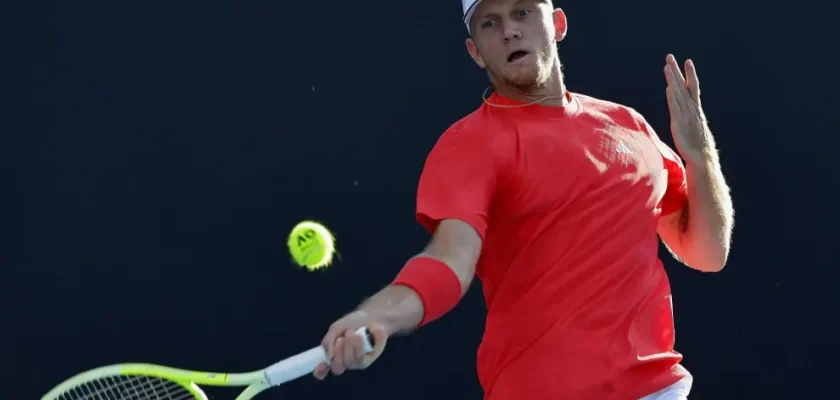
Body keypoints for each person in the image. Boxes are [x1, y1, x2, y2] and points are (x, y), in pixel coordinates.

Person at [312, 0, 735, 398]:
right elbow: (449, 260)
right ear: (475, 51)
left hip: (655, 389)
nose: (510, 30)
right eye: (490, 23)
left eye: (522, 11)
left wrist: (699, 155)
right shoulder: (470, 145)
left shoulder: (631, 127)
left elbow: (706, 252)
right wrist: (378, 315)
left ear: (557, 23)